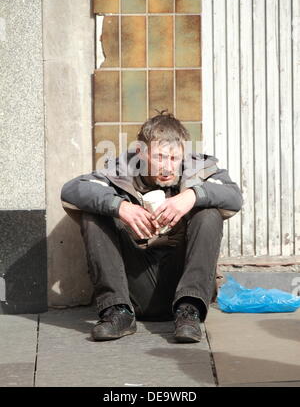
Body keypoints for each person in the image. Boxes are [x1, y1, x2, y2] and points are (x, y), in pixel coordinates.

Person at [61, 112, 242, 343]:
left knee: (209, 213)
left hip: (180, 281)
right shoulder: (119, 171)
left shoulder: (199, 169)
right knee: (94, 214)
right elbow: (72, 189)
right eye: (159, 157)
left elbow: (234, 196)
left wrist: (193, 195)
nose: (167, 167)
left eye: (174, 158)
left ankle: (190, 311)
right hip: (135, 286)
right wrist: (120, 207)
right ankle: (117, 311)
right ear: (141, 153)